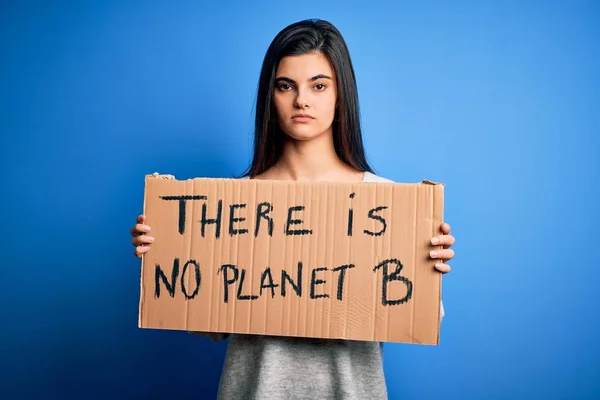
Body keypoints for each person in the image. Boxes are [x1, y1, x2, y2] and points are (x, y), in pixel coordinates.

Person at [130, 18, 455, 400]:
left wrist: (427, 264)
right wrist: (166, 253)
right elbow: (210, 326)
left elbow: (412, 316)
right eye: (286, 86)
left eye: (318, 86)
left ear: (340, 95)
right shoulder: (233, 206)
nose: (302, 100)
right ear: (271, 96)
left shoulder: (387, 204)